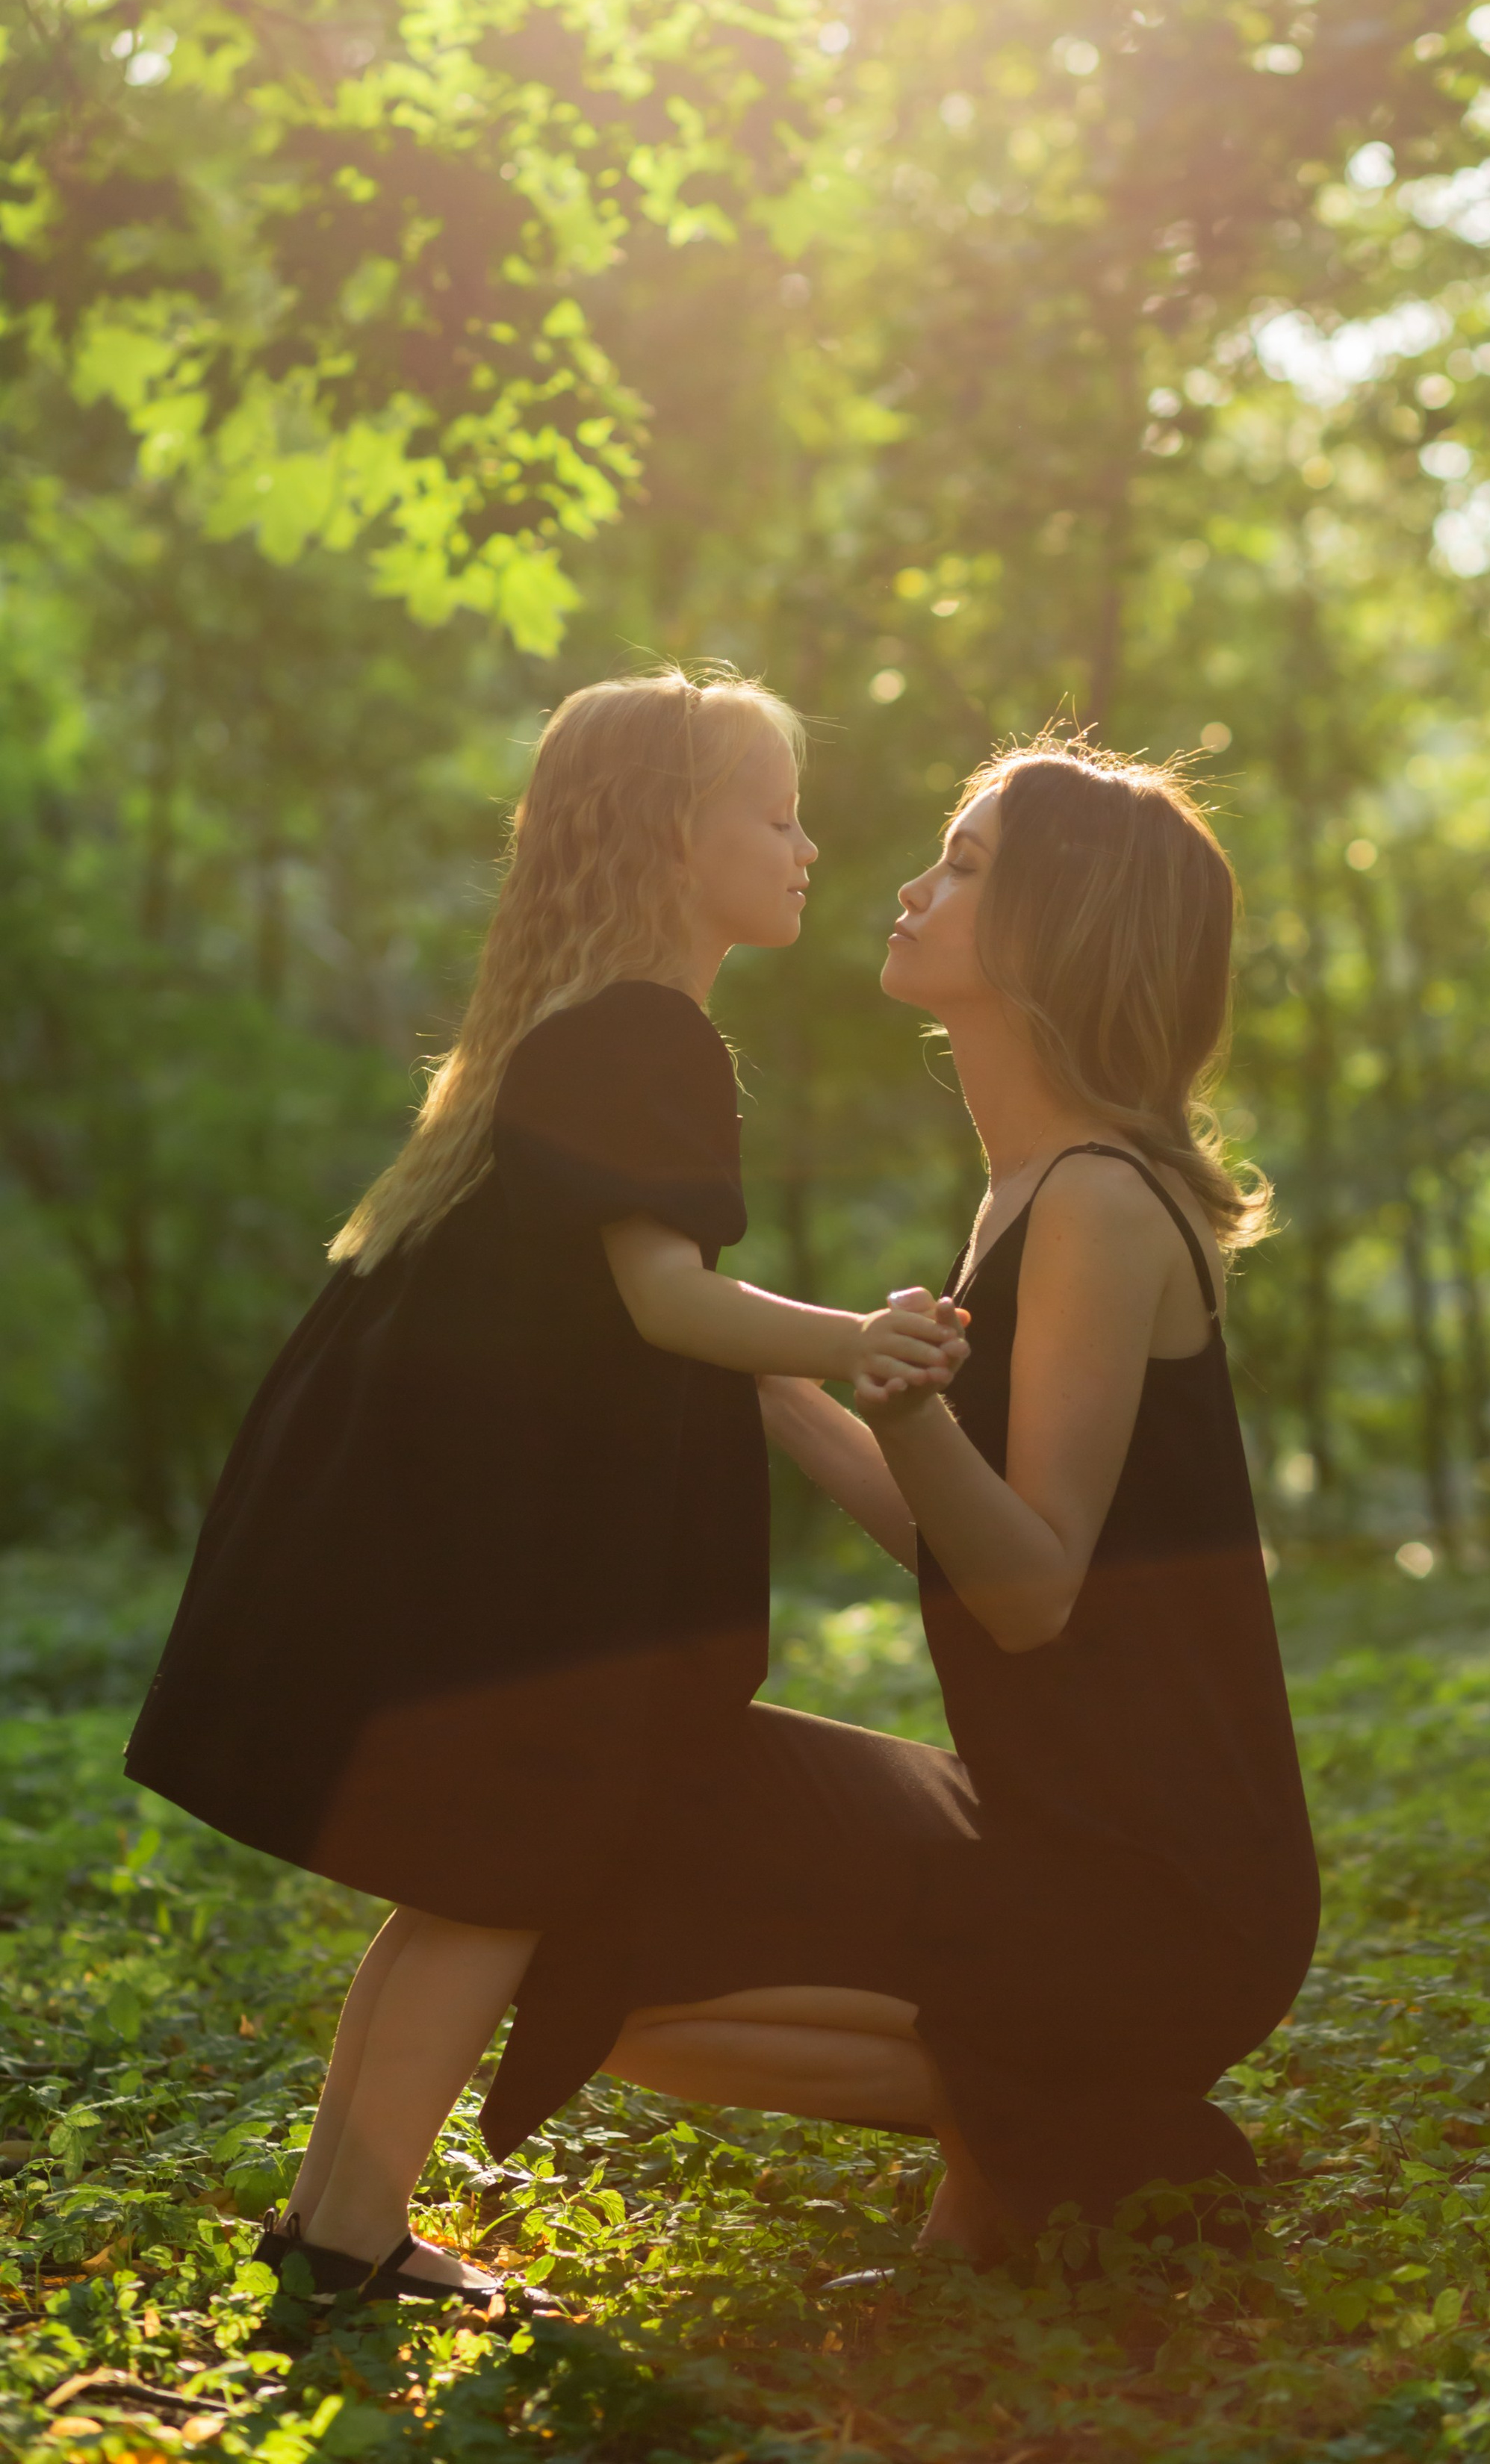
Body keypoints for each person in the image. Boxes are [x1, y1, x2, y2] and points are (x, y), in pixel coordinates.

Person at [123, 671, 966, 2303]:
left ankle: (334, 2227)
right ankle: (350, 2243)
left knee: (464, 1890)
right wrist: (860, 1334)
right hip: (525, 1568)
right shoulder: (647, 1036)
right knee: (492, 1891)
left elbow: (635, 1304)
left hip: (487, 1543)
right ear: (675, 836)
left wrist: (807, 1364)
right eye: (775, 814)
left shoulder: (583, 1031)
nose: (808, 846)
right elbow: (665, 1300)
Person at [482, 733, 1317, 2260]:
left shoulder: (1098, 1202)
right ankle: (1055, 2129)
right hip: (1038, 1815)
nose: (912, 887)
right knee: (602, 1844)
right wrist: (762, 1362)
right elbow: (953, 1523)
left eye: (968, 865)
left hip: (1163, 1888)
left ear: (1060, 929)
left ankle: (1092, 2132)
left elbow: (1027, 1585)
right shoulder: (1023, 1191)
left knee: (626, 1962)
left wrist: (907, 1404)